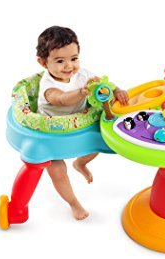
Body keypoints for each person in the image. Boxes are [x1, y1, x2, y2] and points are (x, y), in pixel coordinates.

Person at [36, 26, 129, 220]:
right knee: (57, 169)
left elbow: (104, 85)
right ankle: (74, 203)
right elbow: (61, 99)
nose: (69, 66)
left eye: (74, 58)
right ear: (43, 62)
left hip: (79, 125)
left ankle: (80, 163)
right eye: (60, 61)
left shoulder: (82, 75)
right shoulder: (48, 85)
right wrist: (81, 92)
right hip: (51, 133)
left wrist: (117, 90)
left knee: (99, 141)